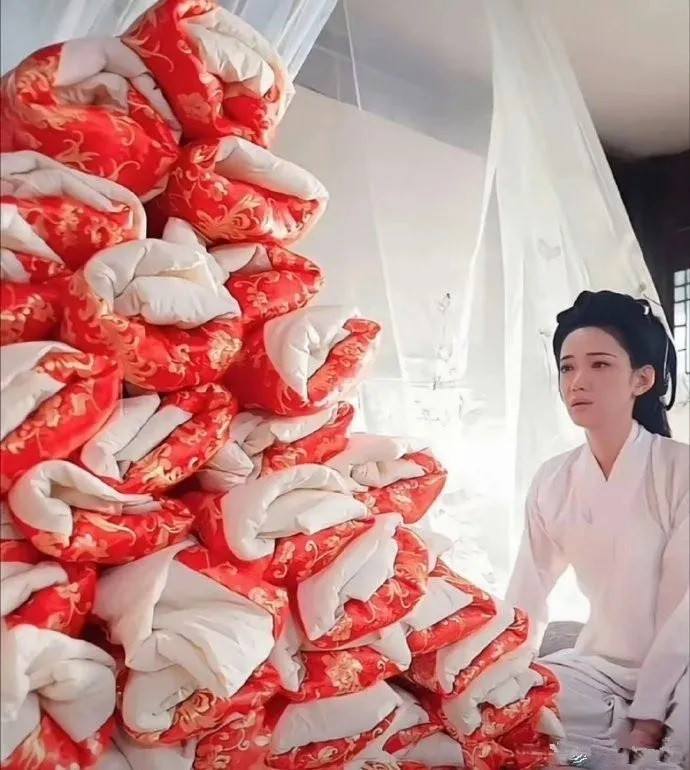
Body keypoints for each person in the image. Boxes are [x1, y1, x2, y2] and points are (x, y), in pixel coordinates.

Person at [506, 290, 689, 767]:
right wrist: (499, 675)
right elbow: (527, 592)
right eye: (567, 367)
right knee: (512, 709)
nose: (578, 381)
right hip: (600, 670)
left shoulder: (680, 470)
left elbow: (682, 610)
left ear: (641, 379)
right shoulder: (553, 479)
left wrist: (648, 717)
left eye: (600, 365)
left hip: (684, 668)